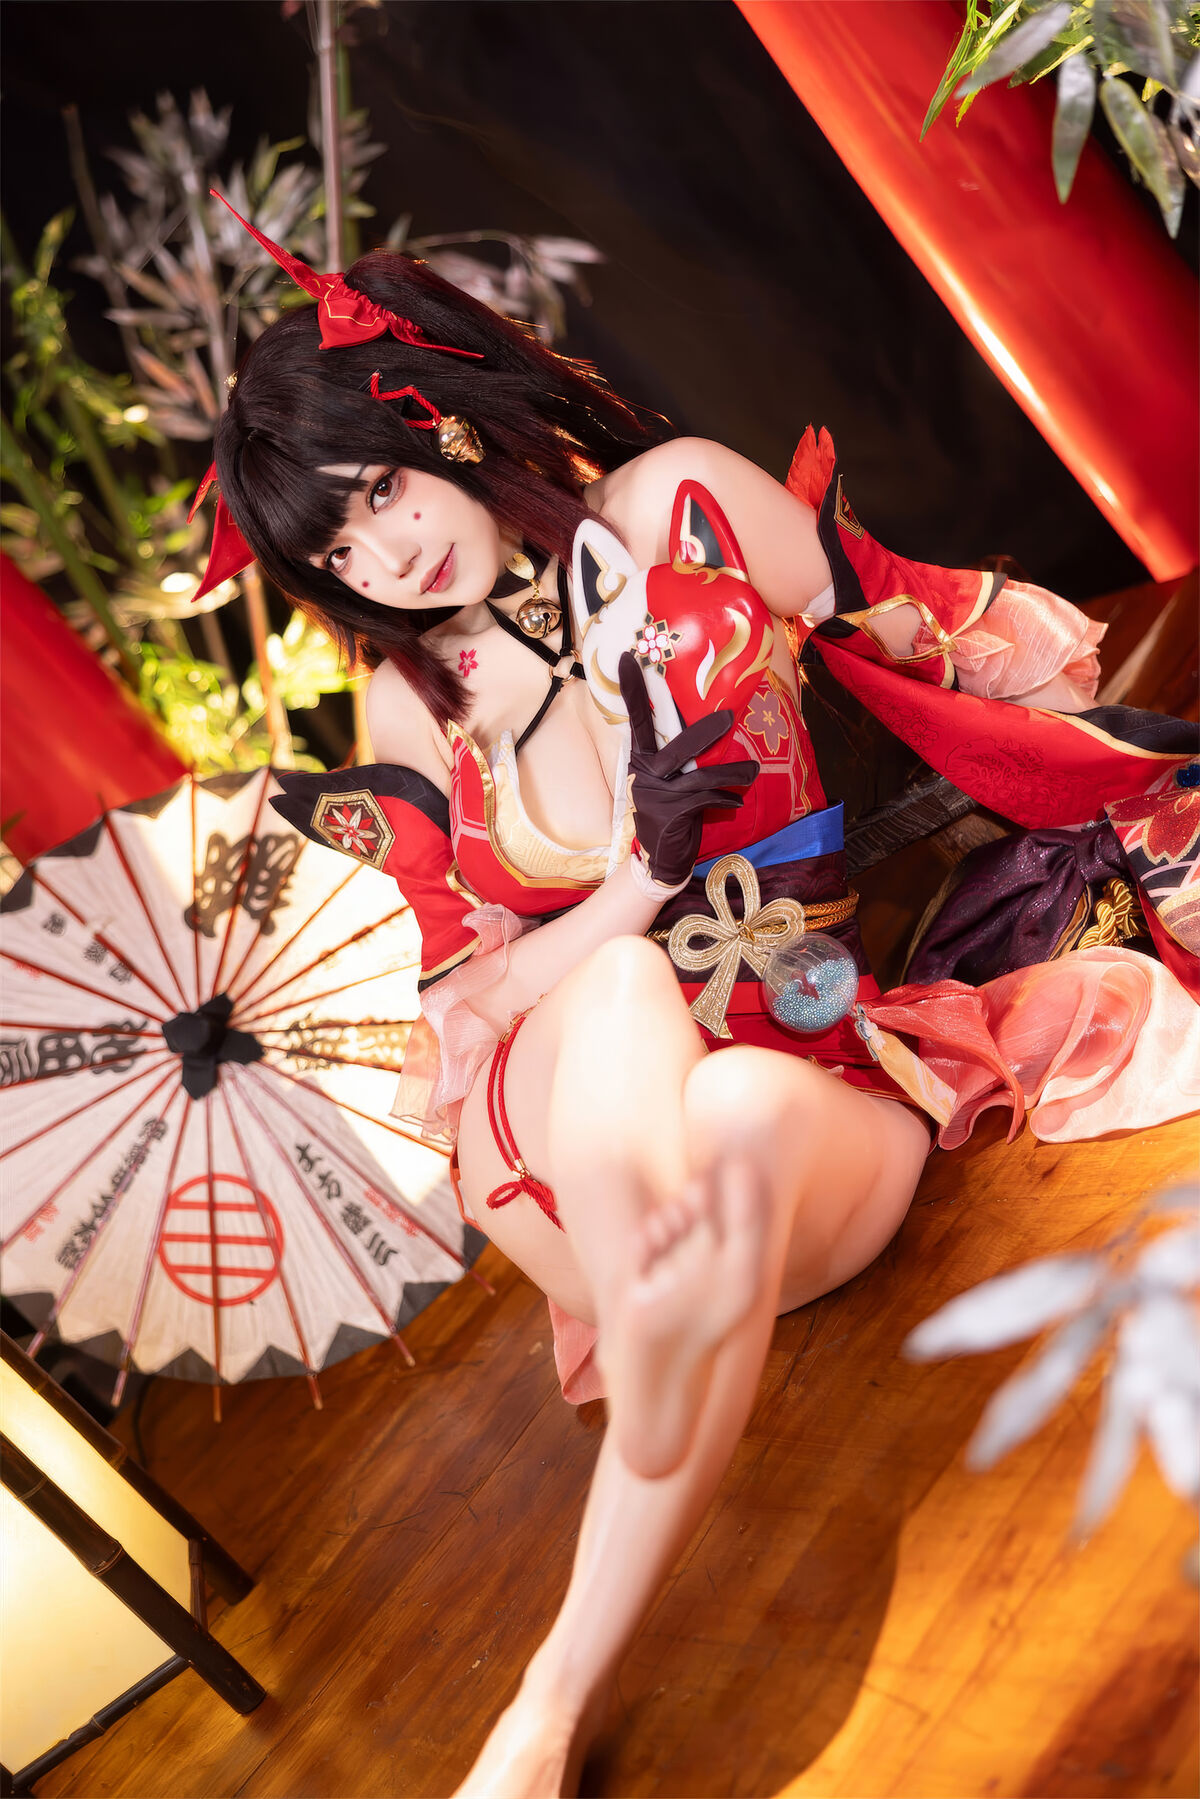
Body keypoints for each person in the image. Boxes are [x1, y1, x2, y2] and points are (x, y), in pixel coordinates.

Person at [197, 201, 1200, 1798]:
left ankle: (547, 1699)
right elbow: (469, 1002)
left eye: (381, 488)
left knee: (727, 1100)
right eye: (338, 550)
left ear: (438, 415)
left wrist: (1120, 790)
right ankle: (571, 1625)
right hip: (567, 1157)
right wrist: (621, 894)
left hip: (799, 1081)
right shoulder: (408, 706)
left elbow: (926, 637)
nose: (388, 556)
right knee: (613, 993)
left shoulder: (681, 512)